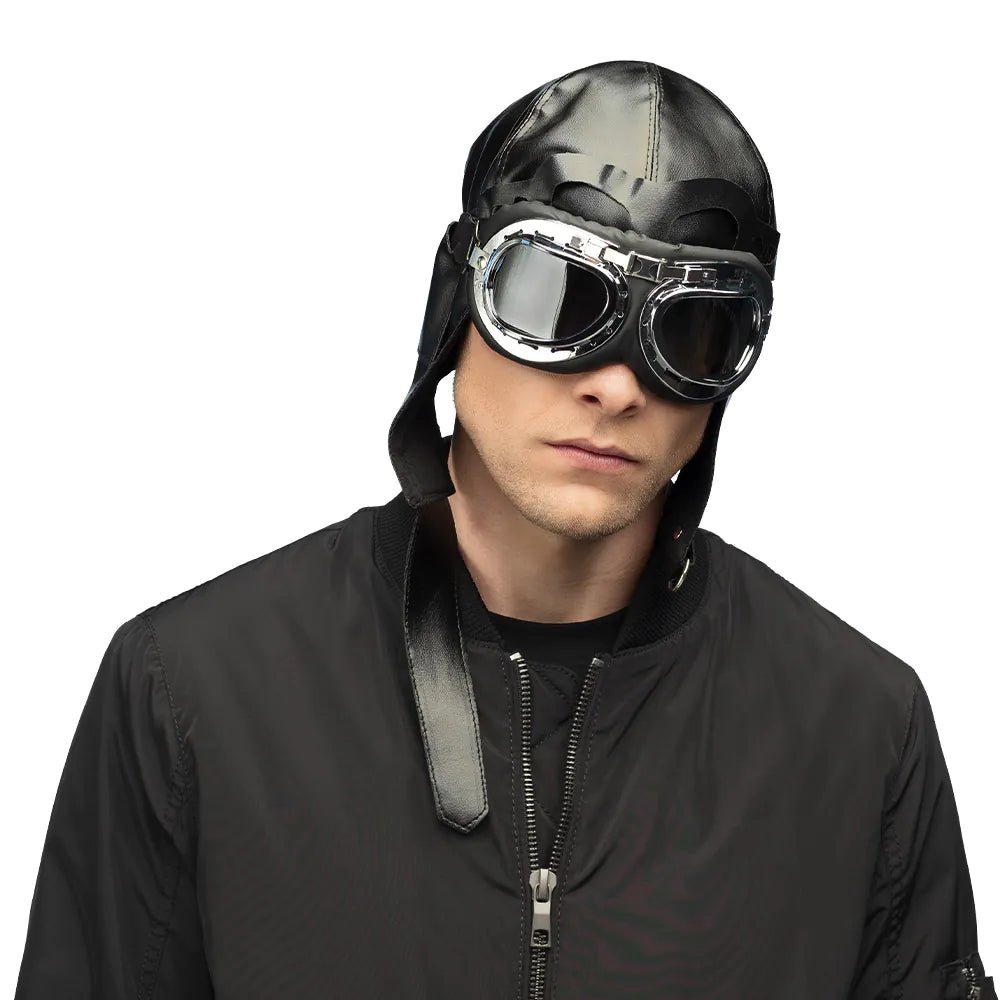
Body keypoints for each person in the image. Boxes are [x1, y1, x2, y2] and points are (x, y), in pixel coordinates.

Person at [13, 59, 993, 1000]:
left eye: (689, 330)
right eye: (556, 296)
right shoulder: (195, 690)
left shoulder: (859, 731)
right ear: (459, 299)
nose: (616, 388)